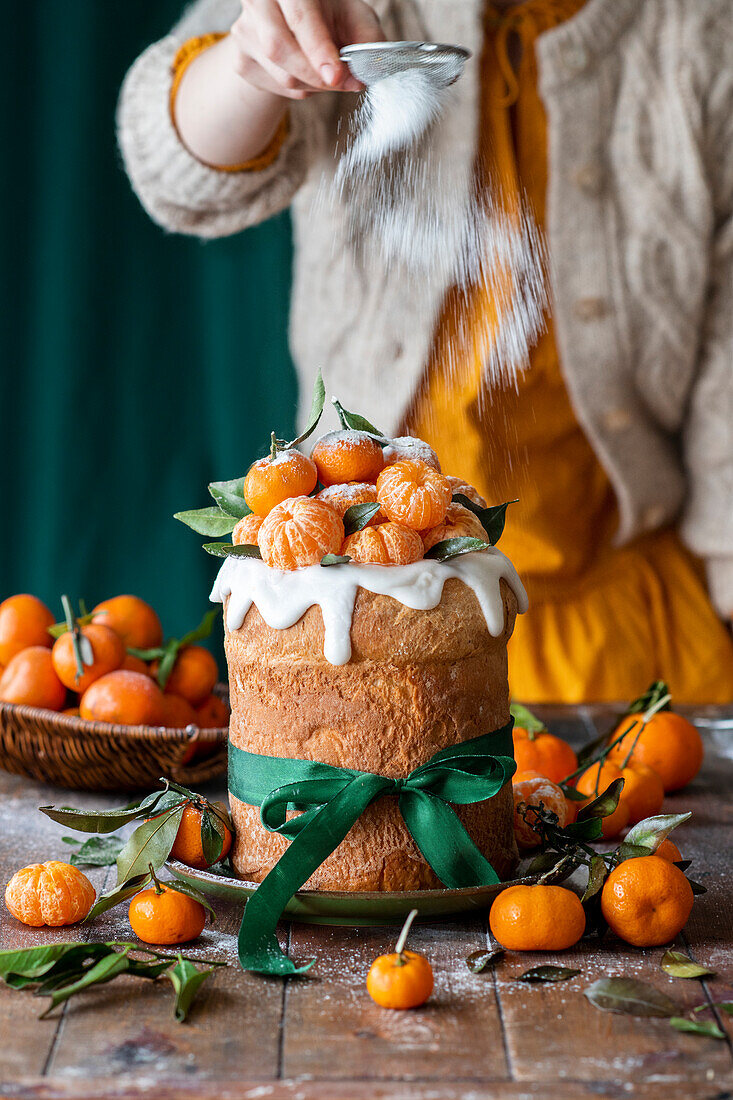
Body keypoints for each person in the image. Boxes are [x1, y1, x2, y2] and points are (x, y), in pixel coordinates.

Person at [119, 0, 733, 704]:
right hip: (365, 623)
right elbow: (170, 163)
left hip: (628, 634)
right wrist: (250, 63)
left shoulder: (698, 28)